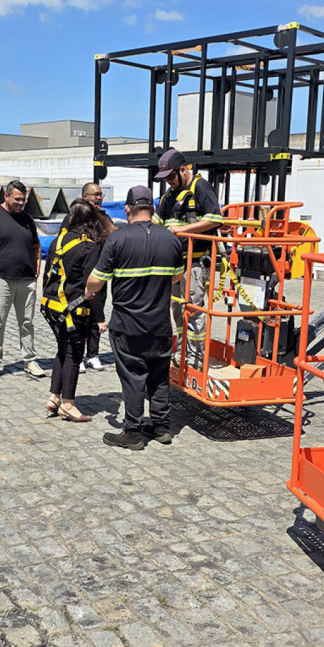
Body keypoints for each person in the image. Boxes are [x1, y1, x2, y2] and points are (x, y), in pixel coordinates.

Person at [87, 186, 185, 450]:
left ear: (128, 209)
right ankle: (162, 427)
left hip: (128, 325)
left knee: (133, 378)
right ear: (152, 210)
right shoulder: (171, 239)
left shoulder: (117, 239)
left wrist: (88, 289)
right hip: (160, 325)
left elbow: (96, 280)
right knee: (159, 376)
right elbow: (176, 277)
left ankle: (132, 432)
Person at [154, 148, 225, 368]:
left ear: (183, 169)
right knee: (177, 309)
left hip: (194, 262)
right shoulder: (170, 195)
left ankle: (195, 357)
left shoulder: (201, 188)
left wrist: (184, 230)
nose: (169, 182)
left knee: (193, 309)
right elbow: (159, 218)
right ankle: (181, 351)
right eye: (166, 179)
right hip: (174, 263)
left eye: (172, 177)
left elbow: (214, 219)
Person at [0, 180, 45, 381]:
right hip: (1, 279)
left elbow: (36, 246)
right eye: (17, 199)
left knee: (27, 322)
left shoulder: (27, 219)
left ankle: (30, 360)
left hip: (26, 280)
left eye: (23, 199)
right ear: (6, 196)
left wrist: (37, 269)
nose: (21, 203)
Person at [42, 199, 104, 422]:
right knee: (73, 354)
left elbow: (48, 273)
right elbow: (92, 287)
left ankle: (54, 396)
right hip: (73, 308)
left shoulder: (58, 240)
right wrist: (101, 319)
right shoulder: (88, 247)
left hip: (52, 306)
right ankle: (68, 403)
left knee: (62, 349)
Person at [73, 183, 116, 372]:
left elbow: (113, 234)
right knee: (80, 316)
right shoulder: (77, 216)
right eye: (95, 195)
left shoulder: (103, 217)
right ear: (85, 196)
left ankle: (93, 354)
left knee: (97, 314)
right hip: (80, 275)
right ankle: (77, 355)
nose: (99, 198)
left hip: (100, 272)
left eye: (100, 195)